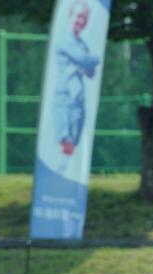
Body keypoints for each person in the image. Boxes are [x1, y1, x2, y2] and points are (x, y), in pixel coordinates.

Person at [53, 0, 100, 167]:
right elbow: (86, 60)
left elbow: (90, 72)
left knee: (73, 149)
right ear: (70, 15)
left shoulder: (82, 44)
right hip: (66, 100)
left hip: (78, 102)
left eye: (85, 18)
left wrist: (89, 62)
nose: (81, 21)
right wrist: (93, 59)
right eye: (79, 16)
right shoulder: (65, 40)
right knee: (65, 145)